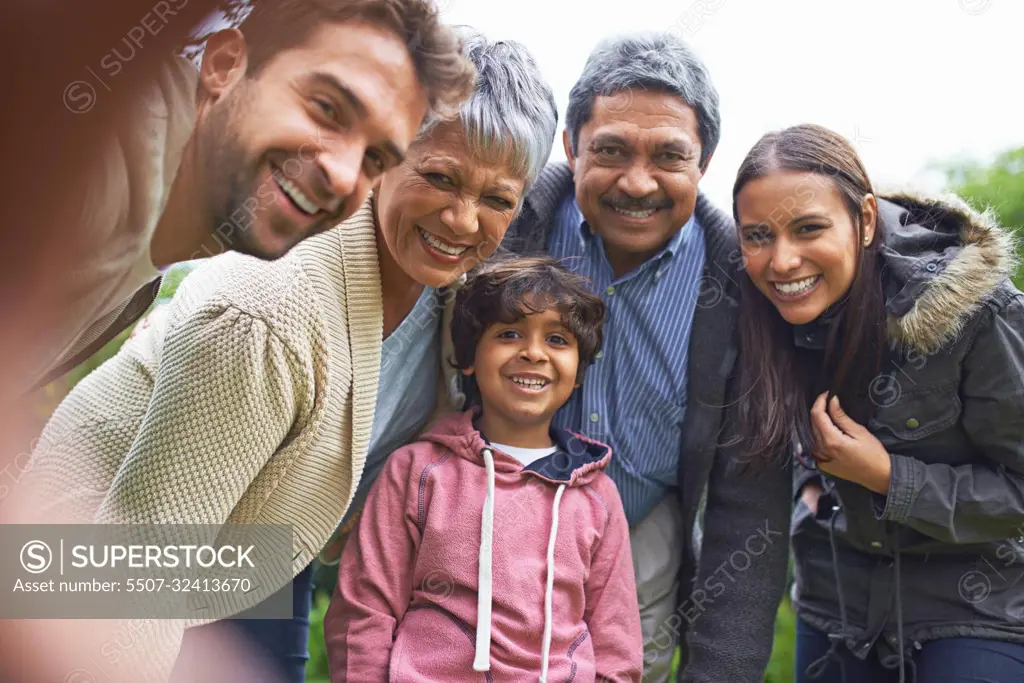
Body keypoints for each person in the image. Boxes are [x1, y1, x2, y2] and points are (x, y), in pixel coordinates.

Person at [22, 29, 558, 683]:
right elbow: (135, 575)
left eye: (497, 199)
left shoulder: (454, 304)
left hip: (257, 554)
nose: (464, 220)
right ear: (387, 159)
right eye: (440, 178)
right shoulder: (269, 312)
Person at [476, 32, 791, 682]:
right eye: (612, 150)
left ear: (704, 162)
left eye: (669, 156)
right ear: (571, 146)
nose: (638, 181)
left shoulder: (742, 284)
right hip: (483, 528)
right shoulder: (501, 229)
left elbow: (747, 504)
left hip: (639, 543)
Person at [5, 0, 476, 399]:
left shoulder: (158, 233)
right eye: (327, 109)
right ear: (225, 65)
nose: (341, 173)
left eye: (375, 157)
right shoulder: (94, 160)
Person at [731, 123, 1024, 683]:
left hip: (975, 606)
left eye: (809, 228)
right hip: (835, 600)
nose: (782, 261)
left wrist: (889, 477)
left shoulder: (979, 314)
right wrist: (808, 483)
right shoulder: (751, 306)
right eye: (758, 235)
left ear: (865, 220)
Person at [324, 257, 643, 682]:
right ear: (469, 357)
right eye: (509, 334)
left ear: (578, 371)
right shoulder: (417, 471)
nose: (533, 352)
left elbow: (616, 641)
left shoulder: (598, 495)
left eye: (557, 339)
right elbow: (365, 609)